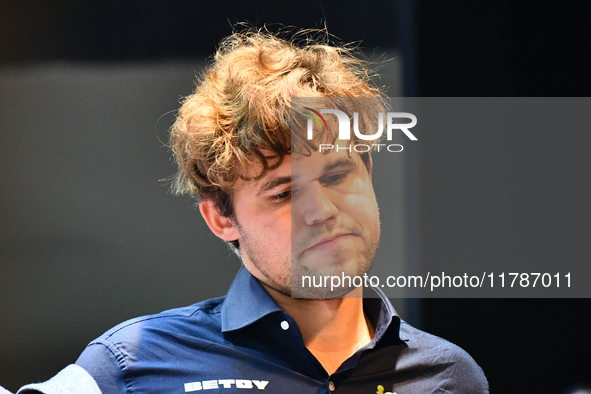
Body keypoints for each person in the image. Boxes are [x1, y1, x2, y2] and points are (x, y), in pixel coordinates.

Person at [18, 28, 488, 394]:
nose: (321, 211)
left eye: (336, 176)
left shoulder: (449, 376)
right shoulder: (134, 364)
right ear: (221, 219)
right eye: (283, 193)